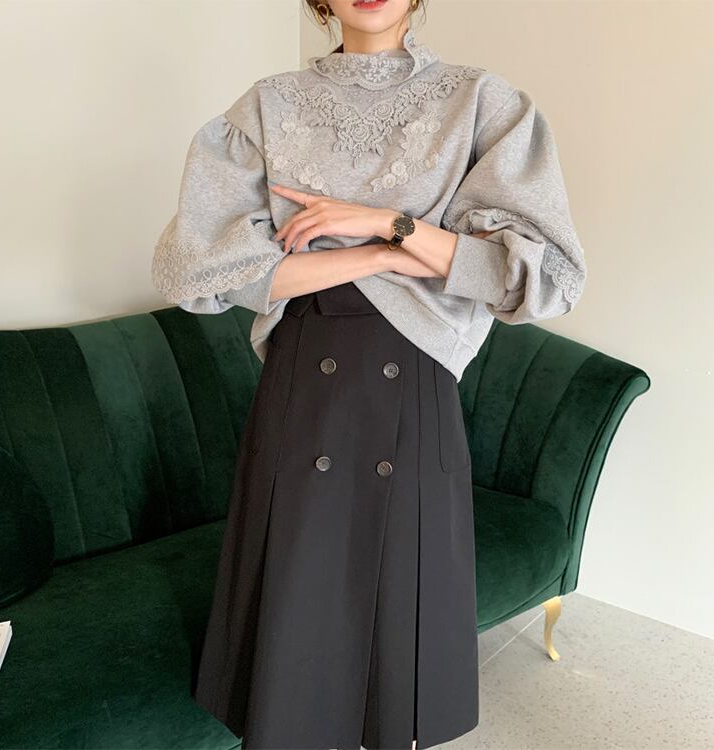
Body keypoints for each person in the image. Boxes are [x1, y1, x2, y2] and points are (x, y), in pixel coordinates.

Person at [150, 1, 587, 748]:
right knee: (300, 604)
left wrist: (387, 222)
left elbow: (545, 279)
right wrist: (384, 256)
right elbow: (195, 271)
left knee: (398, 614)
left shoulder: (483, 103)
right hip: (303, 380)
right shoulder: (267, 107)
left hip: (413, 379)